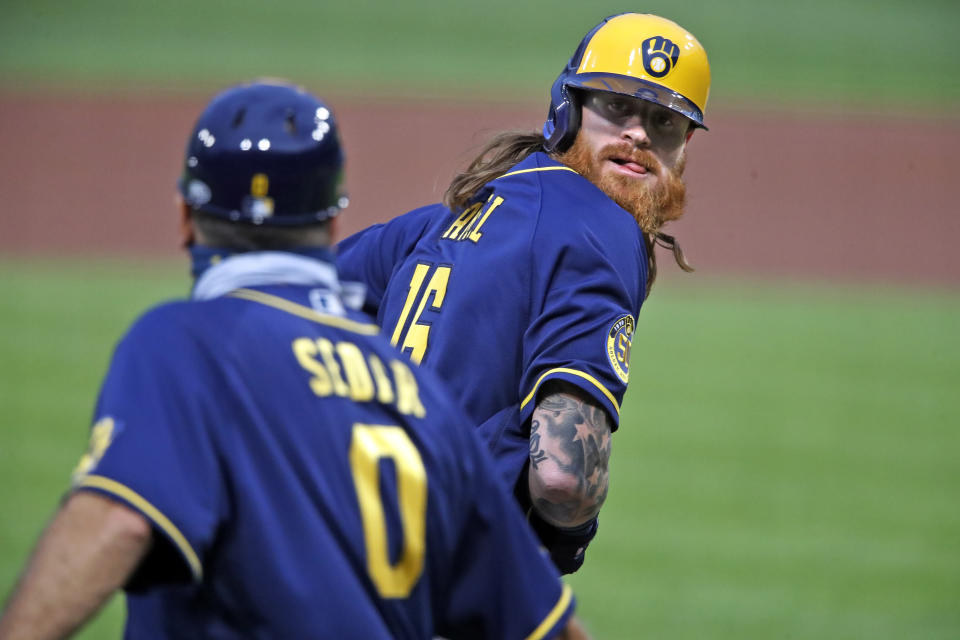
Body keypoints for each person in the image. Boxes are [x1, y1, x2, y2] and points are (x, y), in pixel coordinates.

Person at [0, 81, 590, 640]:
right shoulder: (420, 399)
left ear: (185, 219)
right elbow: (546, 625)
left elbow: (120, 520)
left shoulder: (186, 343)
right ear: (331, 220)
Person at [336, 13, 711, 574]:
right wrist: (559, 547)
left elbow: (275, 300)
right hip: (431, 575)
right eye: (616, 107)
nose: (638, 133)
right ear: (570, 108)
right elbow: (564, 475)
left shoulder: (447, 220)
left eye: (664, 120)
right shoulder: (601, 229)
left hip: (329, 544)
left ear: (684, 146)